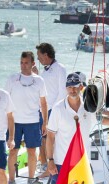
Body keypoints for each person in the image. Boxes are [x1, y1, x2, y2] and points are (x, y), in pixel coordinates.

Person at [46, 73, 109, 184]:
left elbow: (102, 120)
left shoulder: (88, 107)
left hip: (82, 161)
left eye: (75, 86)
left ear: (81, 87)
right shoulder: (58, 108)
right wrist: (50, 161)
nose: (72, 90)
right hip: (62, 161)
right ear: (66, 88)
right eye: (69, 87)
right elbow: (50, 137)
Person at [5, 51, 48, 184]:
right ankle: (11, 181)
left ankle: (31, 180)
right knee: (13, 152)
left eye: (26, 63)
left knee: (32, 151)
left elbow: (44, 103)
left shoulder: (39, 81)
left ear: (33, 64)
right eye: (22, 63)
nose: (23, 66)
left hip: (33, 121)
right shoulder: (12, 79)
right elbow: (5, 101)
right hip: (15, 122)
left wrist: (45, 123)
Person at [35, 43, 67, 177]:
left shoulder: (60, 68)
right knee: (41, 138)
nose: (38, 59)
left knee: (50, 138)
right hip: (42, 109)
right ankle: (44, 165)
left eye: (39, 56)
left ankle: (50, 168)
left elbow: (62, 91)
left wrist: (54, 110)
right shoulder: (44, 71)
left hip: (52, 109)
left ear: (46, 55)